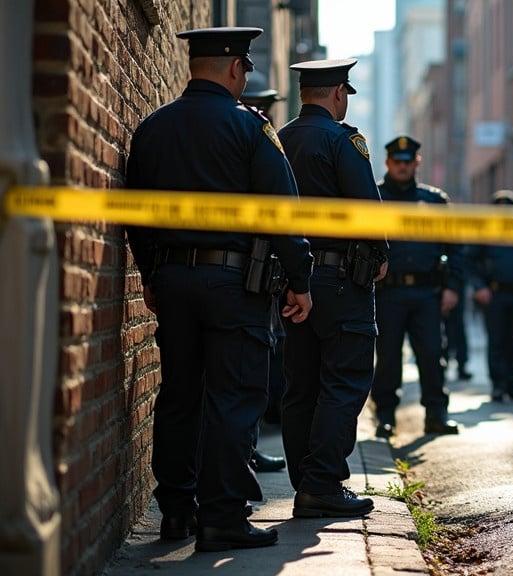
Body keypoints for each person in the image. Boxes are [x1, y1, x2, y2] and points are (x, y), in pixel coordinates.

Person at [124, 27, 313, 551]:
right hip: (234, 284)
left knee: (181, 392)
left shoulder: (152, 129)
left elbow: (134, 218)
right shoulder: (250, 128)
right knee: (235, 395)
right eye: (246, 69)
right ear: (234, 68)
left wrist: (151, 276)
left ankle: (177, 511)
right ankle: (223, 517)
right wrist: (300, 281)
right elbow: (282, 212)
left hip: (173, 279)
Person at [277, 59, 388, 517]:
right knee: (343, 381)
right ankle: (322, 484)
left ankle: (305, 483)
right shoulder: (345, 141)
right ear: (339, 93)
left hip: (291, 280)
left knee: (300, 385)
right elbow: (367, 208)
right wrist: (379, 254)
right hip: (342, 280)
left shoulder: (278, 138)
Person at [372, 136, 463, 438]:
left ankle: (436, 415)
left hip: (428, 293)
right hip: (388, 292)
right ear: (388, 163)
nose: (402, 166)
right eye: (397, 162)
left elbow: (456, 247)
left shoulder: (435, 201)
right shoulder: (375, 197)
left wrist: (452, 287)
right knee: (387, 357)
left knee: (432, 354)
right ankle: (385, 417)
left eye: (407, 161)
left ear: (416, 163)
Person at [240, 71, 288, 474]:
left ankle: (179, 503)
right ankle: (240, 462)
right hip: (245, 274)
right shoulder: (254, 133)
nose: (267, 114)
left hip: (257, 268)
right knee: (245, 377)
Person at [467, 190, 513, 402]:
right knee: (497, 342)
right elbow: (470, 262)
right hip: (494, 295)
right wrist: (479, 287)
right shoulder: (485, 234)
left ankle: (512, 384)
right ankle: (498, 386)